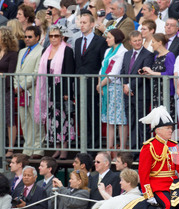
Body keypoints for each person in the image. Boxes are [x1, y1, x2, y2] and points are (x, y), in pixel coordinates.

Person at [35, 25, 75, 161]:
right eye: (51, 36)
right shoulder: (46, 51)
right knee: (53, 121)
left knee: (64, 120)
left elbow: (70, 72)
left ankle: (64, 149)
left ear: (61, 37)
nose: (53, 38)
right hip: (50, 89)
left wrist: (67, 92)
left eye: (56, 36)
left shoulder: (67, 50)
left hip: (62, 89)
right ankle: (57, 147)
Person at [74, 13, 108, 151]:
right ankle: (85, 145)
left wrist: (100, 83)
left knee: (93, 117)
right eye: (80, 22)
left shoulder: (100, 42)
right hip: (79, 85)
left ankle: (94, 146)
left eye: (85, 22)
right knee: (82, 117)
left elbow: (103, 64)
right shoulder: (77, 42)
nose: (82, 25)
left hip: (93, 86)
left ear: (92, 24)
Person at [121, 30, 154, 154]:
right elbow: (123, 71)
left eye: (139, 40)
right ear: (130, 42)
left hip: (141, 94)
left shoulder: (148, 54)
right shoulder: (127, 54)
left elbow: (143, 75)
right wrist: (125, 85)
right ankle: (135, 150)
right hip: (127, 94)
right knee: (132, 122)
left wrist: (130, 87)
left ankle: (144, 150)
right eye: (135, 41)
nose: (138, 43)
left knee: (142, 123)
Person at [14, 25, 44, 159]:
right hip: (21, 92)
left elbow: (37, 73)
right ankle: (27, 148)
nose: (27, 39)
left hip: (34, 90)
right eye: (25, 36)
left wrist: (22, 85)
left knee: (35, 120)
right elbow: (17, 71)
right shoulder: (22, 51)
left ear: (37, 37)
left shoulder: (41, 51)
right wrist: (17, 86)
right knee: (24, 119)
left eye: (30, 37)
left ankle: (38, 148)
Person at [98, 28, 128, 159]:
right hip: (106, 87)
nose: (106, 39)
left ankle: (121, 149)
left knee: (120, 119)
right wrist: (100, 82)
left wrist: (100, 84)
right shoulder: (107, 51)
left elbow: (114, 72)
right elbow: (102, 69)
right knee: (109, 120)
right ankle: (109, 150)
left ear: (116, 38)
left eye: (109, 37)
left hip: (116, 87)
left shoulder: (122, 52)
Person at [142, 33, 176, 111]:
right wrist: (147, 74)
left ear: (160, 43)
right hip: (155, 91)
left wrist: (151, 72)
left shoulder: (169, 55)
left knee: (166, 117)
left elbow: (170, 73)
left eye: (153, 42)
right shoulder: (156, 56)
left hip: (166, 91)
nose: (151, 45)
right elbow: (156, 74)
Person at [0, 27, 19, 159]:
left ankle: (11, 148)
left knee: (9, 119)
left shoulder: (12, 54)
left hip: (6, 90)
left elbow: (11, 72)